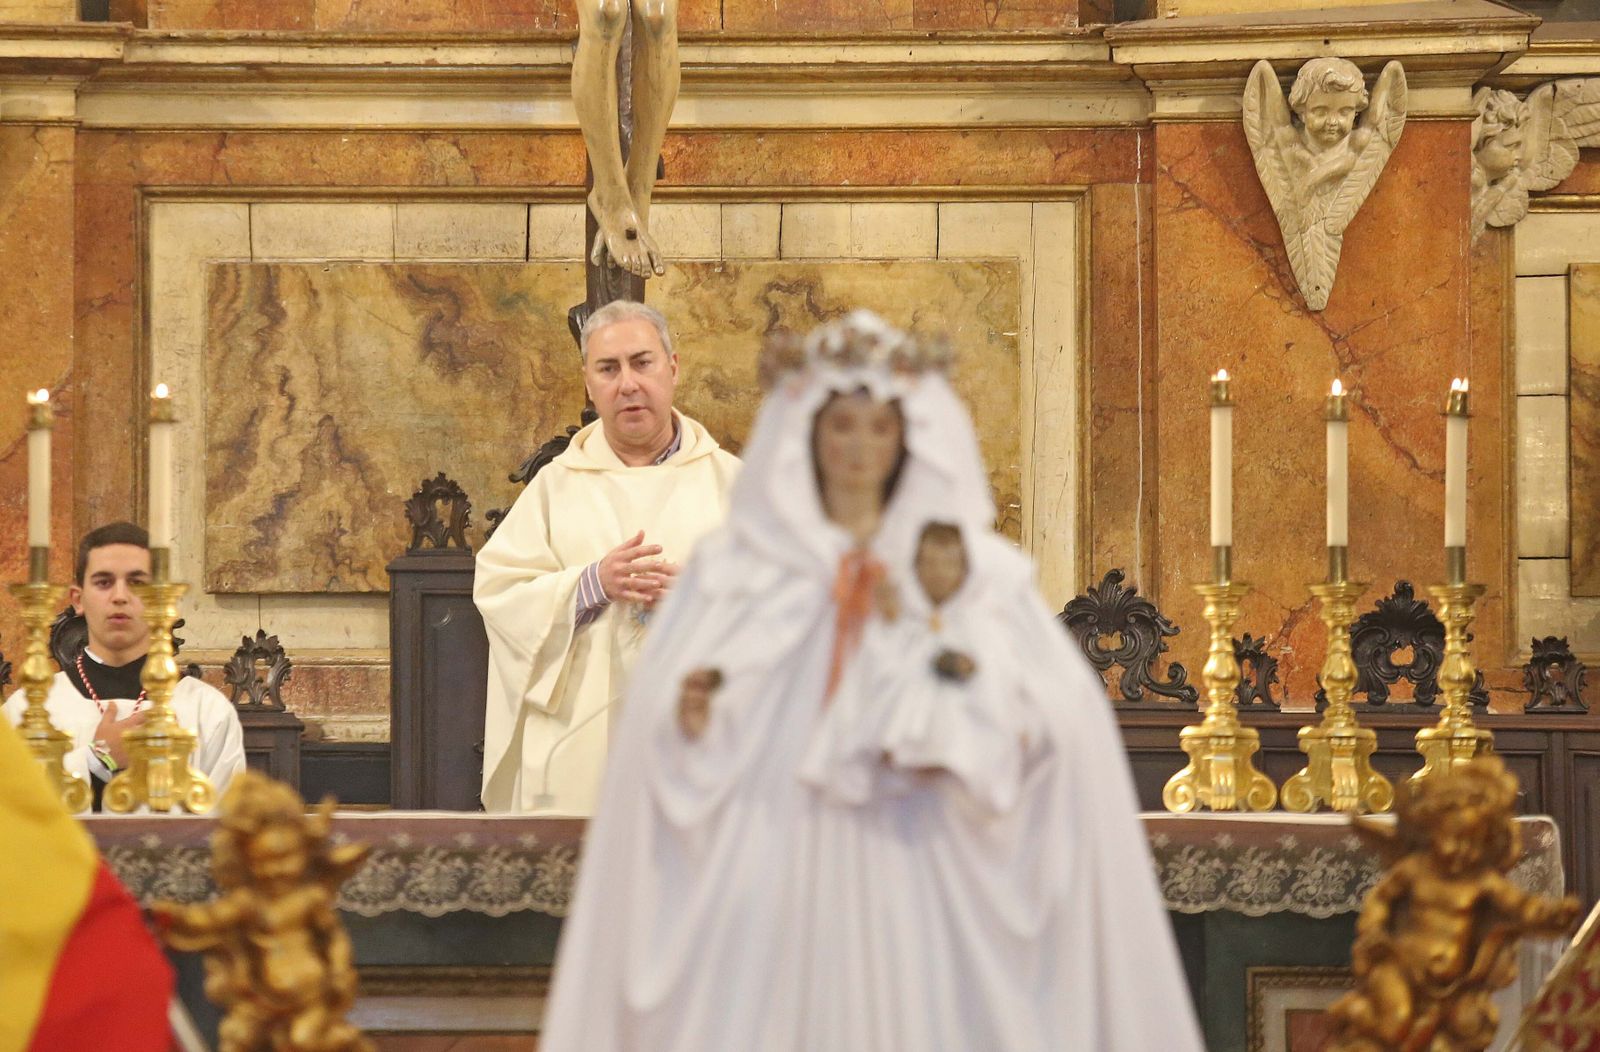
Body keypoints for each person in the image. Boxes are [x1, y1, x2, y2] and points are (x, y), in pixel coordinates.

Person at [539, 312, 1205, 1051]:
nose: (858, 447)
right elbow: (675, 743)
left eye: (879, 427)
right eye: (840, 427)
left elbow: (1057, 723)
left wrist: (970, 728)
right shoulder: (738, 576)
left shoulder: (976, 578)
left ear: (908, 439)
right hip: (782, 873)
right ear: (809, 437)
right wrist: (696, 719)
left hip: (923, 859)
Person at [474, 300, 740, 815]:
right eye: (608, 369)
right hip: (578, 747)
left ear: (673, 368)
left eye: (642, 363)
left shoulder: (735, 487)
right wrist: (591, 584)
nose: (628, 384)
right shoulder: (554, 488)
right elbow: (500, 593)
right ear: (588, 384)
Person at [2, 522, 246, 811]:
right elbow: (12, 817)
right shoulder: (26, 709)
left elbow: (228, 824)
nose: (120, 596)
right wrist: (97, 759)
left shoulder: (207, 710)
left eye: (137, 583)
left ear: (160, 599)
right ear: (78, 599)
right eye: (104, 582)